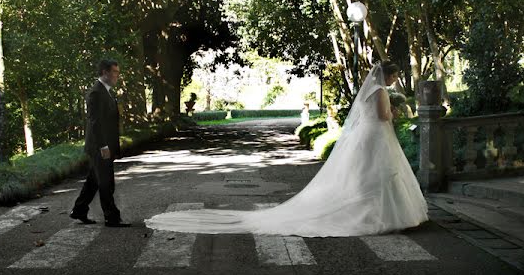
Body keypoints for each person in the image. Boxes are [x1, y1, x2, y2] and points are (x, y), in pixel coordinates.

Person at [144, 61, 428, 237]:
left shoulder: (368, 91)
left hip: (367, 137)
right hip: (376, 135)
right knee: (376, 175)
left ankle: (376, 212)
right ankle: (376, 215)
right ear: (387, 76)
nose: (393, 81)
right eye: (393, 77)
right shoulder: (379, 93)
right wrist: (399, 112)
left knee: (366, 176)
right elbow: (382, 117)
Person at [70, 59, 129, 228]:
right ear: (105, 72)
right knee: (106, 182)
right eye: (115, 72)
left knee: (94, 180)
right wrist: (103, 146)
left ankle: (79, 209)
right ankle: (112, 217)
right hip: (99, 146)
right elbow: (94, 123)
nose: (117, 75)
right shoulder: (96, 93)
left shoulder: (106, 91)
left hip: (104, 145)